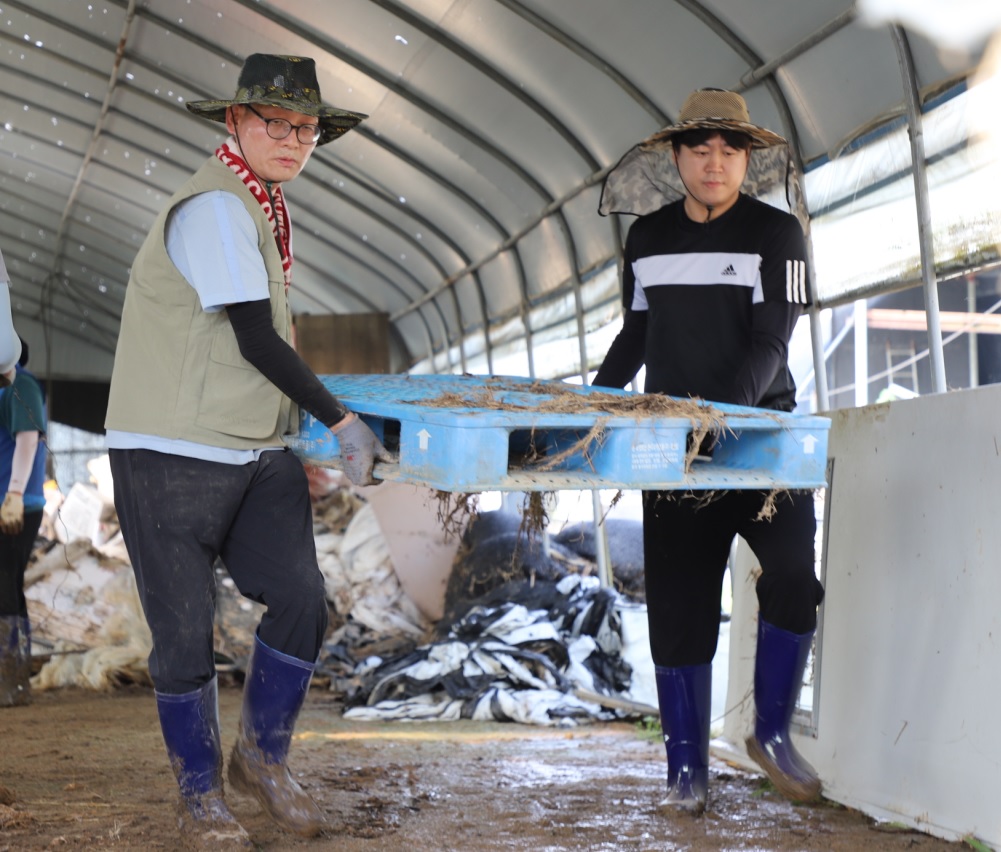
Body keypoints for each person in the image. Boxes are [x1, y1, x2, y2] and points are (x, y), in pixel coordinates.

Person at [104, 54, 391, 848]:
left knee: (303, 596)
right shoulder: (215, 208)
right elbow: (257, 336)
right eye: (276, 123)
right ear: (234, 121)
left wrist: (295, 434)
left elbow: (275, 335)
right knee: (185, 629)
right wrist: (338, 421)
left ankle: (261, 760)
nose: (294, 139)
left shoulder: (264, 205)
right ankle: (198, 795)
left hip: (249, 446)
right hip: (169, 448)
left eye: (306, 128)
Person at [593, 88, 825, 812]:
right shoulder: (647, 238)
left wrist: (721, 416)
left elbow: (770, 343)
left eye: (730, 149)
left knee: (792, 576)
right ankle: (685, 774)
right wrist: (593, 408)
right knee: (678, 605)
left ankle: (772, 735)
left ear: (747, 159)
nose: (714, 161)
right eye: (700, 149)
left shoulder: (777, 233)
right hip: (669, 448)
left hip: (761, 439)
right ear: (675, 156)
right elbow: (635, 338)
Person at [0, 332, 47, 708]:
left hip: (17, 505)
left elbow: (28, 440)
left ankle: (10, 681)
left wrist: (14, 494)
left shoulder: (21, 384)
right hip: (7, 502)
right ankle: (12, 679)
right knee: (7, 583)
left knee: (3, 582)